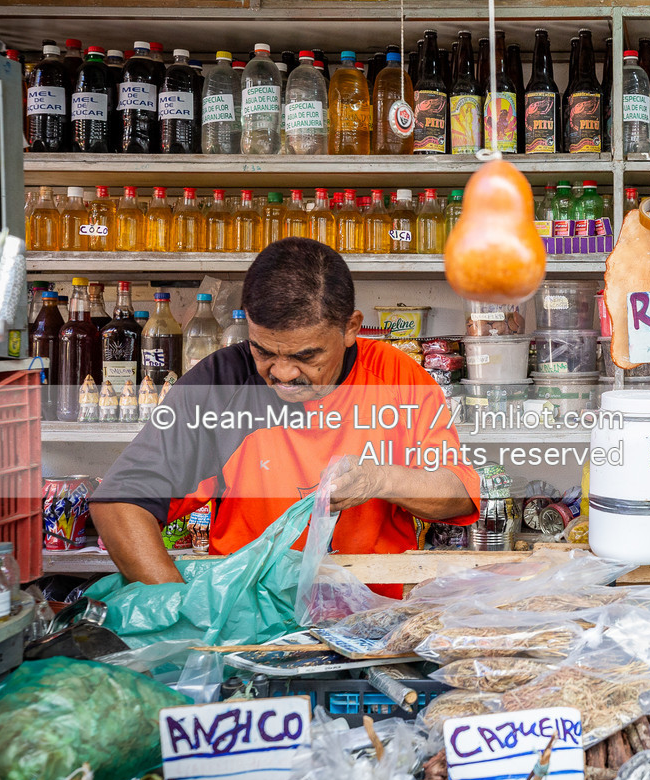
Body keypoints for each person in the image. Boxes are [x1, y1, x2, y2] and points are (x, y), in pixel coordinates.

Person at [90, 238, 480, 585]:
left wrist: (379, 480)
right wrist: (178, 609)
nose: (283, 374)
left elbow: (461, 496)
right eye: (263, 351)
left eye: (306, 355)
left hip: (372, 616)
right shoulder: (218, 386)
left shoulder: (396, 377)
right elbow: (120, 503)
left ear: (350, 328)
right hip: (249, 620)